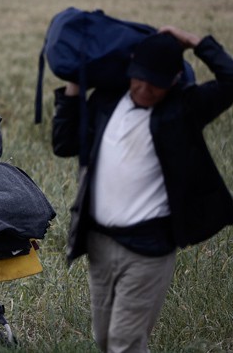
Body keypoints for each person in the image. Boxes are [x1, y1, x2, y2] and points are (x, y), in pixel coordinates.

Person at [51, 26, 233, 352]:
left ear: (175, 80)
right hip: (99, 243)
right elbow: (64, 144)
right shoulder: (106, 101)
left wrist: (196, 42)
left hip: (148, 249)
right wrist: (75, 82)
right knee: (105, 338)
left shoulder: (184, 108)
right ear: (130, 67)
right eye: (140, 79)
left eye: (157, 84)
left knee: (124, 342)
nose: (145, 89)